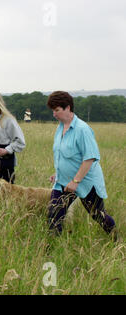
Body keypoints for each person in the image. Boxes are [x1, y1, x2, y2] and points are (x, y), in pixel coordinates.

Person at [46, 91, 117, 239]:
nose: (54, 114)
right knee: (54, 214)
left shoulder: (82, 129)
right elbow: (63, 156)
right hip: (63, 183)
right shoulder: (60, 128)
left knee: (98, 215)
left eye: (57, 110)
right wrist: (58, 174)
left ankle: (116, 238)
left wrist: (75, 181)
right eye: (53, 110)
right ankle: (51, 249)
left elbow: (89, 158)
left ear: (68, 108)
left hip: (85, 182)